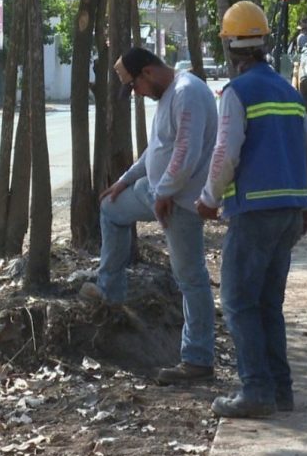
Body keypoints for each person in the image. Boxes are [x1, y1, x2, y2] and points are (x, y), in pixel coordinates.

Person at [196, 1, 307, 418]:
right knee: (268, 304)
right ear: (264, 42)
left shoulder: (237, 93)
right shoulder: (289, 91)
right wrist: (305, 206)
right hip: (288, 213)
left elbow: (225, 154)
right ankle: (280, 391)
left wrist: (208, 200)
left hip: (254, 214)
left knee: (238, 302)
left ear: (230, 45)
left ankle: (255, 391)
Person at [82, 46, 218, 386]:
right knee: (111, 209)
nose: (138, 94)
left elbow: (187, 153)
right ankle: (110, 292)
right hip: (157, 192)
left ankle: (198, 358)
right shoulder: (168, 96)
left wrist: (165, 194)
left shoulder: (187, 93)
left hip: (180, 202)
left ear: (148, 72)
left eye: (135, 87)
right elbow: (157, 149)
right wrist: (125, 181)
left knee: (191, 279)